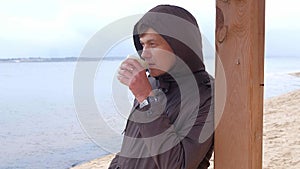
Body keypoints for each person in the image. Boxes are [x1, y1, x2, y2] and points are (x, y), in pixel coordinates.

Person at [109, 4, 214, 169]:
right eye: (142, 45)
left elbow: (178, 165)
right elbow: (130, 146)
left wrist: (146, 100)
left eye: (152, 44)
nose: (144, 54)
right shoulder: (151, 82)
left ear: (180, 45)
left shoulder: (208, 93)